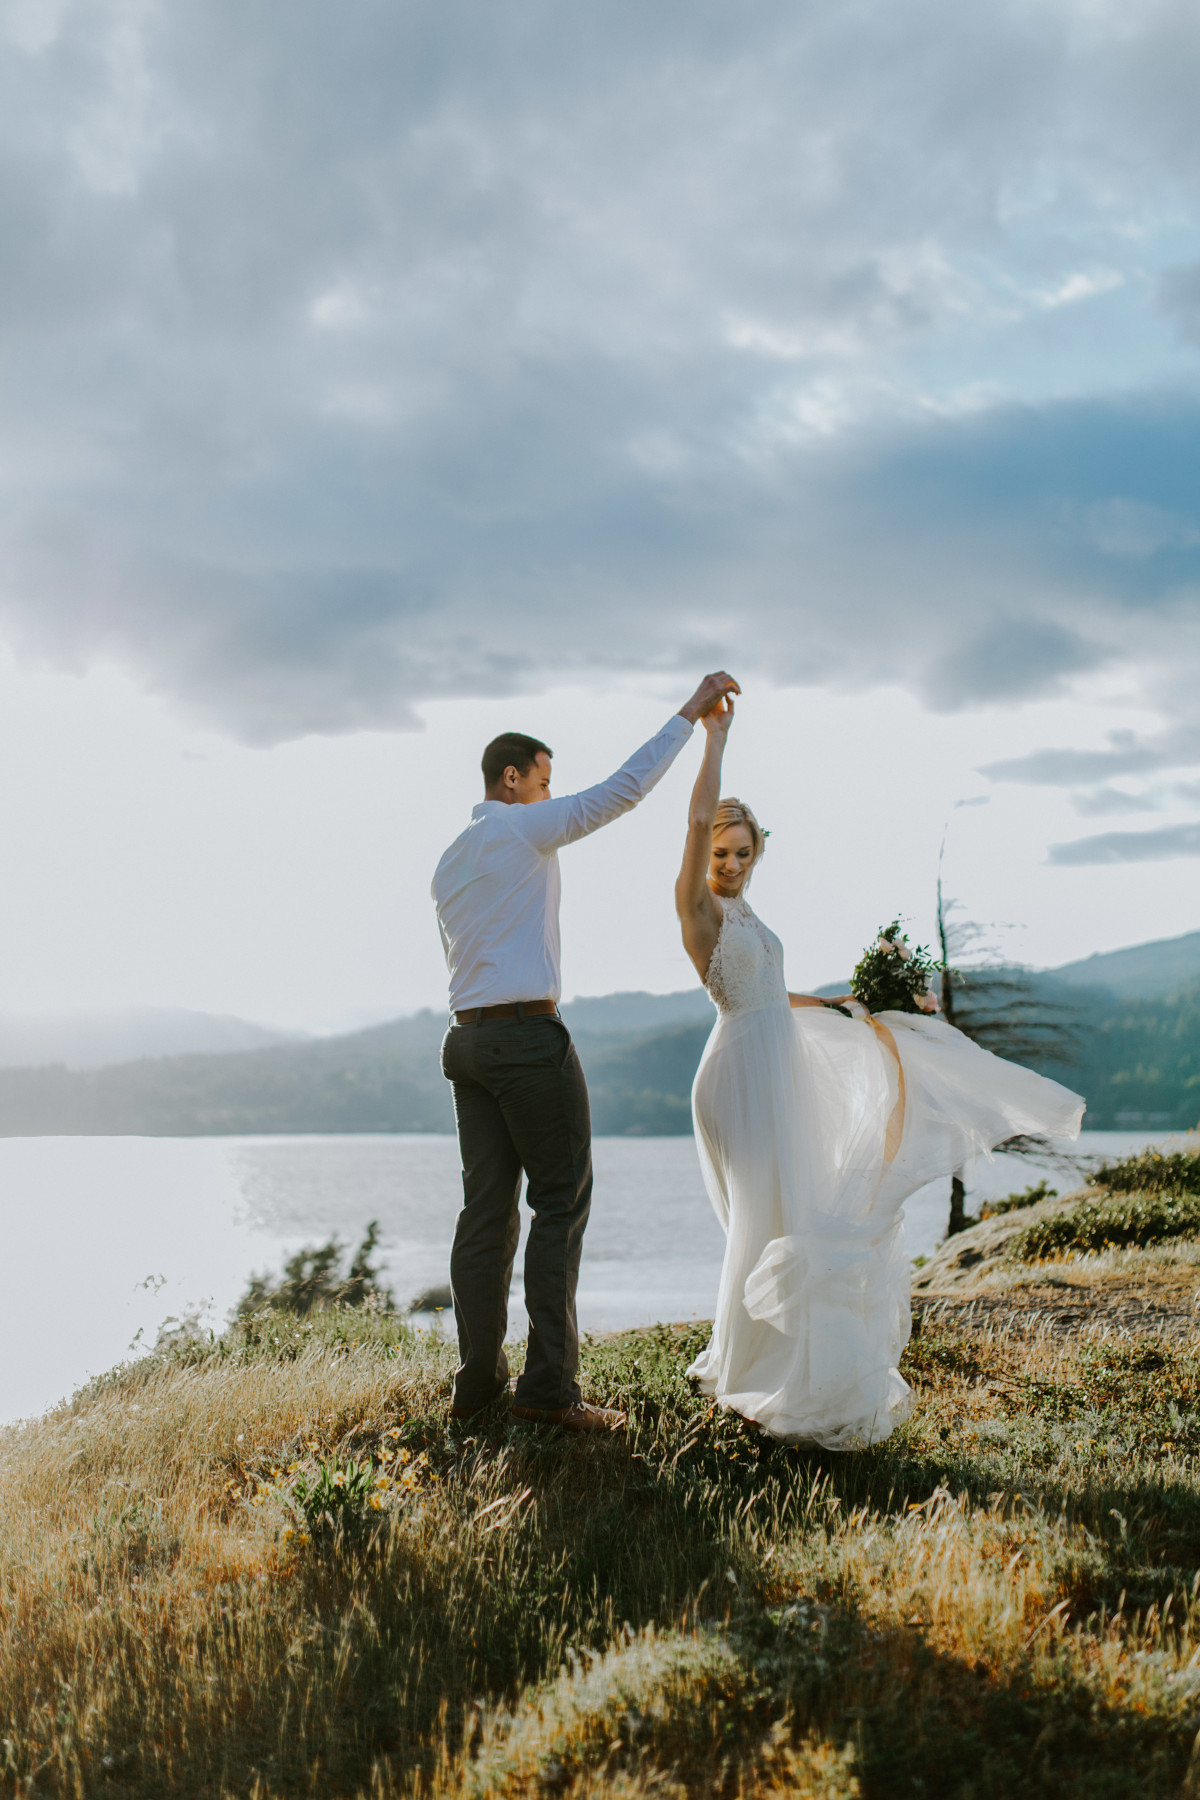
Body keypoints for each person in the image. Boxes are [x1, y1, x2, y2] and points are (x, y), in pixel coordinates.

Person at [675, 692, 1084, 1448]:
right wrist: (716, 742)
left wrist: (828, 1003)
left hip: (776, 1056)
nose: (729, 864)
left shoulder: (749, 916)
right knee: (761, 1215)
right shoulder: (695, 906)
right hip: (736, 1072)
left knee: (787, 1209)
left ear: (757, 853)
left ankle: (779, 1357)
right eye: (719, 852)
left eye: (742, 853)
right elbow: (698, 823)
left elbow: (763, 987)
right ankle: (747, 1367)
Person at [433, 671, 740, 1433]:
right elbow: (621, 792)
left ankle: (476, 1390)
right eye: (542, 780)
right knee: (560, 1203)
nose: (550, 794)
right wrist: (687, 715)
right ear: (512, 780)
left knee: (485, 1217)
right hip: (526, 1039)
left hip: (465, 1043)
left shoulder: (449, 859)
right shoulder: (517, 826)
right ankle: (549, 1395)